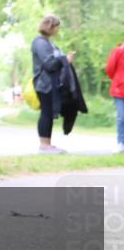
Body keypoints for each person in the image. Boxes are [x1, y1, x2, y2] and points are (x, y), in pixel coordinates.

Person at [31, 15, 79, 154]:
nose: (58, 30)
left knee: (50, 112)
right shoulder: (40, 42)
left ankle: (47, 144)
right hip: (44, 84)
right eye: (57, 27)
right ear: (51, 26)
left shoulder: (47, 42)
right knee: (46, 113)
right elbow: (49, 64)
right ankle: (44, 145)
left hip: (52, 85)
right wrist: (66, 59)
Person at [105, 42, 124, 153]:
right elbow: (110, 69)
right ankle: (121, 143)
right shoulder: (118, 51)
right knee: (122, 117)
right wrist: (119, 79)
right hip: (119, 89)